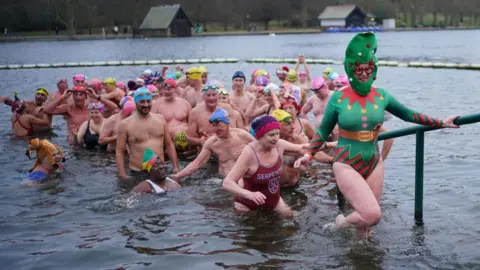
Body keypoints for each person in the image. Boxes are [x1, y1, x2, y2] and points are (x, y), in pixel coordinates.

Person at [294, 32, 460, 237]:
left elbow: (409, 115)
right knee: (372, 214)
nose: (364, 73)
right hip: (346, 162)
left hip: (374, 162)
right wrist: (308, 155)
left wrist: (441, 122)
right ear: (351, 68)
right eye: (359, 69)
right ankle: (341, 223)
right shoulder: (338, 98)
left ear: (374, 69)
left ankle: (358, 255)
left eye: (368, 68)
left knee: (366, 227)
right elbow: (323, 131)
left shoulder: (382, 95)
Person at [222, 115, 307, 217]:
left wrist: (328, 145)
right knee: (260, 230)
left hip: (273, 200)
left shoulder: (279, 145)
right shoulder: (249, 153)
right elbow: (227, 183)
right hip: (248, 205)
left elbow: (303, 148)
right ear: (260, 136)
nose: (276, 138)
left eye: (278, 134)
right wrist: (249, 194)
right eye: (271, 135)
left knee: (290, 220)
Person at [116, 87, 180, 185]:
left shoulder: (160, 119)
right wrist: (122, 175)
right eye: (142, 102)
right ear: (136, 103)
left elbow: (169, 144)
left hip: (160, 170)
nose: (146, 105)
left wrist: (175, 167)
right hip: (139, 172)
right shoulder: (125, 124)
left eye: (148, 101)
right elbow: (119, 151)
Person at [174, 109, 255, 181]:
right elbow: (196, 164)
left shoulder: (242, 135)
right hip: (221, 182)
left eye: (218, 124)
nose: (215, 129)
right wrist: (176, 177)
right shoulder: (211, 142)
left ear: (227, 123)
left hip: (244, 179)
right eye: (213, 125)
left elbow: (262, 150)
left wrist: (247, 155)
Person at [43, 86, 116, 144]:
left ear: (85, 96)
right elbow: (46, 110)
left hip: (91, 143)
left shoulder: (91, 109)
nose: (78, 97)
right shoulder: (68, 109)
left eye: (81, 94)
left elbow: (115, 108)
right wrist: (62, 97)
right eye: (76, 95)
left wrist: (96, 96)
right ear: (73, 96)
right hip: (75, 146)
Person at [151, 78, 192, 151]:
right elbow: (151, 127)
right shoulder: (156, 105)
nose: (166, 91)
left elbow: (192, 124)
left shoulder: (185, 103)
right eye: (164, 89)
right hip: (167, 143)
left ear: (175, 89)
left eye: (169, 89)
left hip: (186, 143)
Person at [271, 109, 309, 187]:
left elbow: (313, 151)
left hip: (295, 185)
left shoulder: (297, 139)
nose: (293, 127)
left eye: (292, 123)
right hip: (273, 188)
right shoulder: (266, 143)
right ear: (277, 126)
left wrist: (330, 159)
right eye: (288, 124)